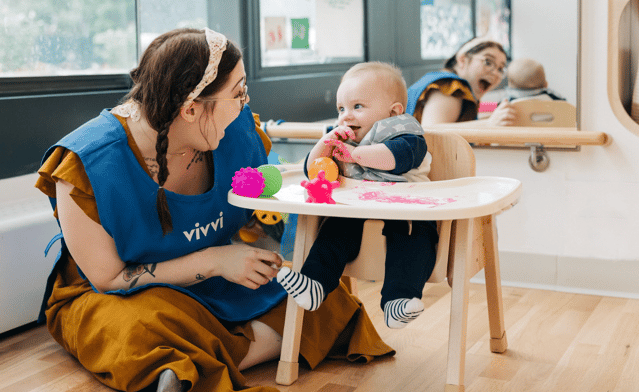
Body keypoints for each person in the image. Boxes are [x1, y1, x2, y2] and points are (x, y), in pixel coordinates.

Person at [35, 28, 393, 392]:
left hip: (221, 280)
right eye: (237, 93)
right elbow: (109, 279)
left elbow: (263, 212)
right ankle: (229, 351)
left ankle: (188, 366)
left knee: (323, 295)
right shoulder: (85, 163)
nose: (244, 102)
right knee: (131, 328)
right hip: (135, 293)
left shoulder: (235, 130)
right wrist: (216, 261)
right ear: (190, 108)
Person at [276, 62, 436, 329]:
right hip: (356, 211)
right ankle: (314, 284)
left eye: (357, 107)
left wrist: (353, 155)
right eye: (341, 109)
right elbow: (310, 170)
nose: (346, 116)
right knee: (334, 227)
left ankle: (398, 300)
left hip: (406, 210)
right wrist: (325, 143)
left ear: (394, 112)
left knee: (415, 236)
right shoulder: (343, 139)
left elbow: (396, 158)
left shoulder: (407, 135)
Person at [406, 37, 516, 127]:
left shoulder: (455, 88)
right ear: (462, 60)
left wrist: (497, 107)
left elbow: (479, 107)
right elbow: (433, 131)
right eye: (488, 62)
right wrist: (488, 124)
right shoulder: (451, 88)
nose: (496, 73)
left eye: (501, 69)